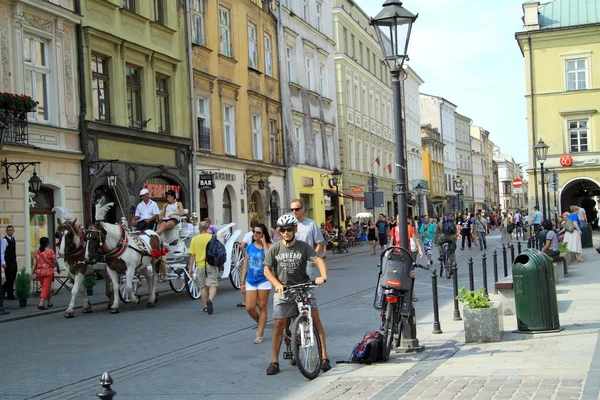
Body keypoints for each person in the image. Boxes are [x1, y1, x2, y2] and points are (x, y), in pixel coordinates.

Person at [263, 214, 330, 376]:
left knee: (316, 320)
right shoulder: (275, 248)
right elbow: (267, 270)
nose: (285, 232)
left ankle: (324, 358)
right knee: (278, 325)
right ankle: (274, 361)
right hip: (284, 290)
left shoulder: (303, 247)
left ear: (295, 229)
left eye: (288, 229)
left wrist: (322, 276)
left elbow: (318, 260)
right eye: (282, 230)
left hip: (304, 286)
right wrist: (277, 284)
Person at [240, 224, 272, 344]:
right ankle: (261, 324)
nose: (255, 234)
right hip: (251, 280)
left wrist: (264, 244)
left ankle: (260, 334)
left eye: (258, 232)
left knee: (262, 306)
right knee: (250, 307)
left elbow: (269, 260)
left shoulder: (269, 246)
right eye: (254, 232)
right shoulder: (250, 247)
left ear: (263, 234)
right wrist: (242, 281)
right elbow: (246, 265)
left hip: (264, 279)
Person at [187, 221, 218, 314]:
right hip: (211, 264)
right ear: (207, 228)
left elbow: (192, 255)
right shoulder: (212, 238)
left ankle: (205, 306)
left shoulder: (194, 239)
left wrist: (190, 268)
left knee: (203, 287)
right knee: (213, 284)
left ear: (199, 229)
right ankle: (210, 300)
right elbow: (218, 251)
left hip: (200, 265)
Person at [289, 199, 325, 277]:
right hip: (291, 261)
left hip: (306, 262)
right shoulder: (289, 224)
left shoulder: (311, 224)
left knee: (305, 286)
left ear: (302, 209)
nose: (294, 211)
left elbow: (319, 243)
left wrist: (312, 259)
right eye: (292, 209)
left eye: (297, 209)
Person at [31, 237, 60, 309]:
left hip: (39, 273)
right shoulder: (50, 251)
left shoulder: (37, 252)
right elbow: (55, 262)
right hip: (48, 272)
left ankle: (49, 302)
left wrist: (32, 273)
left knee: (45, 288)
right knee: (45, 287)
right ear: (47, 243)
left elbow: (34, 264)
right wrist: (58, 268)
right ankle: (41, 303)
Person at [238, 219, 259, 307]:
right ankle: (257, 300)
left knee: (248, 279)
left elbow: (241, 246)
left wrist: (245, 254)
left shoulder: (248, 235)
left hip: (250, 258)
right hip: (259, 258)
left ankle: (246, 301)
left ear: (250, 226)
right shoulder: (260, 233)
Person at [1, 225, 18, 300]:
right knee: (9, 278)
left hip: (13, 261)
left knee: (13, 278)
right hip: (7, 262)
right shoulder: (4, 240)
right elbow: (1, 252)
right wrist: (3, 262)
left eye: (11, 230)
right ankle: (10, 295)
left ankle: (3, 290)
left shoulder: (14, 239)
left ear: (13, 231)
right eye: (8, 230)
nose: (10, 231)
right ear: (6, 231)